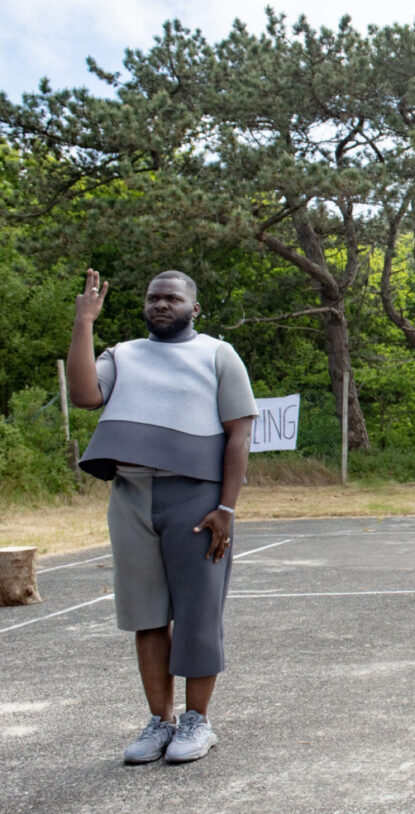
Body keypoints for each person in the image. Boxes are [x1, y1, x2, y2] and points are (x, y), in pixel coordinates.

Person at [68, 268, 257, 764]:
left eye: (172, 298)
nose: (161, 304)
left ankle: (197, 720)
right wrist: (84, 322)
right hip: (131, 496)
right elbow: (85, 396)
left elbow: (239, 434)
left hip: (197, 498)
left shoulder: (218, 354)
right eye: (154, 298)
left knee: (197, 613)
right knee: (146, 615)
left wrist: (226, 508)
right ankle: (160, 720)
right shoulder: (123, 355)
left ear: (194, 308)